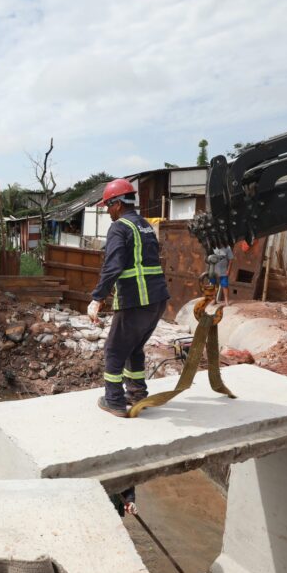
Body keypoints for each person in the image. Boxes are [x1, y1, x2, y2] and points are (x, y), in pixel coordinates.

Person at [87, 178, 170, 416]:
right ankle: (136, 393)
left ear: (117, 204)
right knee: (134, 347)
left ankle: (113, 400)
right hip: (157, 299)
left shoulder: (120, 227)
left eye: (108, 207)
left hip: (137, 299)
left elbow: (113, 267)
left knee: (114, 350)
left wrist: (97, 298)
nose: (108, 213)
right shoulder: (144, 225)